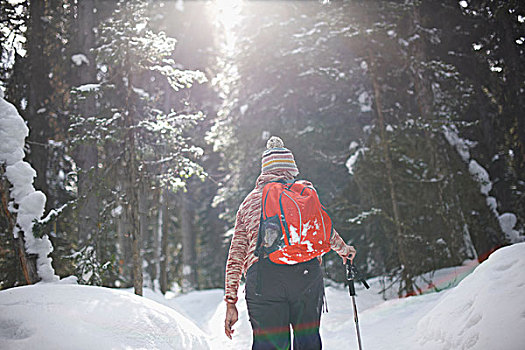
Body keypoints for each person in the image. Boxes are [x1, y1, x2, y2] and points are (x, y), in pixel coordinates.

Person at [224, 136, 356, 350]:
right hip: (306, 275)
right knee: (308, 342)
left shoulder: (250, 202)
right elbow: (325, 231)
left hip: (264, 279)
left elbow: (236, 255)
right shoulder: (303, 195)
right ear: (291, 169)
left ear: (264, 171)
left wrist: (231, 301)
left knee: (270, 346)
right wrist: (345, 251)